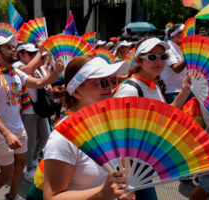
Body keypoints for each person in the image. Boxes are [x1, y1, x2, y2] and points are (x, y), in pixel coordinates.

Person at [0, 35, 64, 200]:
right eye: (7, 47)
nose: (13, 49)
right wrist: (6, 133)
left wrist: (57, 72)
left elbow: (39, 83)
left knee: (20, 165)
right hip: (1, 134)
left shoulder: (16, 73)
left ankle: (11, 196)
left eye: (13, 46)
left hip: (19, 129)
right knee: (7, 172)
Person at [43, 55, 134, 200]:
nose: (110, 86)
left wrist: (126, 188)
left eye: (112, 80)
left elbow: (123, 163)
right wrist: (102, 193)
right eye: (102, 81)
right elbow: (51, 197)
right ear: (77, 92)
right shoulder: (63, 136)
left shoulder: (110, 122)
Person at [113, 38, 191, 200]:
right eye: (152, 57)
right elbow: (118, 134)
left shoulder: (153, 84)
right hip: (131, 167)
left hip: (144, 164)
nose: (159, 62)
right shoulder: (129, 90)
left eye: (162, 57)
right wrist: (125, 176)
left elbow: (167, 115)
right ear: (138, 61)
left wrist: (184, 90)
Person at [14, 43, 51, 182]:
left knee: (46, 137)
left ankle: (34, 158)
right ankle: (29, 168)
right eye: (31, 54)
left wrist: (48, 81)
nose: (34, 56)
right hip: (27, 110)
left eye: (35, 53)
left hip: (40, 108)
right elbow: (28, 71)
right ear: (21, 54)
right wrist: (40, 53)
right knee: (30, 141)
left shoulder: (38, 67)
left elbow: (45, 78)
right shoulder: (17, 66)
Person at [162, 24, 187, 104]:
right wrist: (190, 56)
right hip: (172, 92)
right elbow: (176, 68)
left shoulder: (182, 47)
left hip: (183, 90)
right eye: (185, 33)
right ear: (177, 35)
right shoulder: (168, 48)